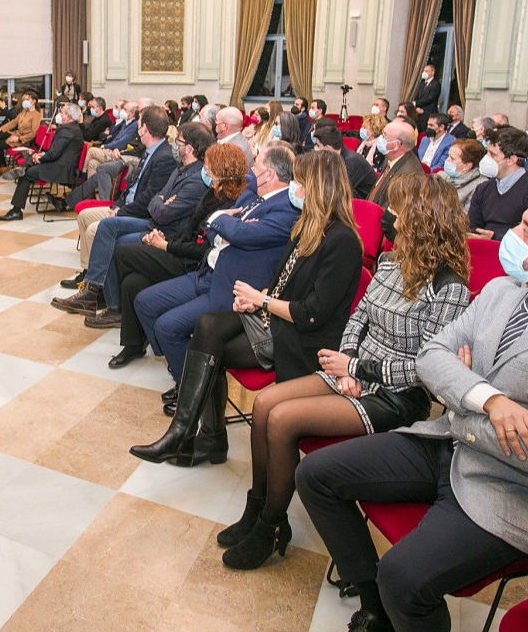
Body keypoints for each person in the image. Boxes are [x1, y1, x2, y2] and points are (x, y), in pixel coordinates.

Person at [300, 184, 528, 632]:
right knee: (316, 475)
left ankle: (397, 611)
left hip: (519, 490)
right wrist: (487, 399)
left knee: (404, 576)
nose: (509, 236)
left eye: (526, 230)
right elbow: (429, 358)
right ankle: (377, 616)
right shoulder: (502, 290)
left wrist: (458, 391)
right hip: (450, 440)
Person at [219, 174, 471, 571]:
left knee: (283, 419)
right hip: (351, 372)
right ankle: (258, 507)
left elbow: (428, 367)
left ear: (421, 219)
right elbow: (358, 319)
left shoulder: (449, 287)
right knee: (265, 403)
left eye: (398, 210)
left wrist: (355, 367)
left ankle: (270, 525)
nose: (391, 218)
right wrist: (348, 359)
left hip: (395, 395)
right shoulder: (391, 262)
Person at [130, 149, 362, 468]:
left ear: (317, 187)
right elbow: (285, 282)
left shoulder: (342, 240)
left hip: (300, 338)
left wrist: (262, 300)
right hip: (276, 319)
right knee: (207, 329)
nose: (294, 187)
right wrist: (259, 296)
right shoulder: (309, 227)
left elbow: (312, 312)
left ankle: (196, 436)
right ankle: (190, 434)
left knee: (208, 345)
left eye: (299, 181)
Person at [133, 144, 299, 397]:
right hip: (208, 271)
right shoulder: (254, 195)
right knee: (145, 302)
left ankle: (191, 392)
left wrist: (225, 222)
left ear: (269, 175)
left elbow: (241, 233)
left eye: (256, 165)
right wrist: (226, 224)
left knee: (167, 326)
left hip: (231, 286)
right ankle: (186, 368)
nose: (251, 170)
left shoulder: (286, 210)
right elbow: (213, 230)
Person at [53, 121, 213, 321]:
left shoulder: (196, 178)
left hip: (166, 232)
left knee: (115, 243)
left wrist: (161, 202)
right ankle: (92, 291)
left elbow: (162, 213)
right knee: (106, 226)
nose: (175, 145)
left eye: (178, 141)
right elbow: (158, 200)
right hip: (155, 222)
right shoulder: (182, 168)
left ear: (189, 148)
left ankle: (114, 307)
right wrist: (162, 201)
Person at [107, 144, 249, 365]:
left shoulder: (232, 204)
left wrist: (165, 246)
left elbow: (204, 247)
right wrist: (163, 239)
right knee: (132, 282)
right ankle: (133, 345)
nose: (205, 168)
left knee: (124, 253)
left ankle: (119, 312)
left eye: (210, 165)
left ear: (221, 170)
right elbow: (189, 231)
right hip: (180, 251)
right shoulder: (212, 193)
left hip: (192, 263)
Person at [58, 106, 177, 287]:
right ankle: (87, 271)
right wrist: (116, 206)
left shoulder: (164, 157)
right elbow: (131, 187)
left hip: (139, 214)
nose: (138, 130)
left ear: (145, 129)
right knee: (84, 217)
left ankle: (96, 285)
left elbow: (149, 198)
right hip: (126, 207)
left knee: (93, 230)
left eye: (139, 125)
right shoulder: (150, 150)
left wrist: (121, 211)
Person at [0, 102, 85, 221]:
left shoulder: (67, 130)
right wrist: (42, 155)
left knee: (27, 174)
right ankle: (24, 169)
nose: (59, 114)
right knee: (31, 160)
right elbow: (57, 152)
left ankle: (16, 211)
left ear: (68, 116)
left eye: (62, 112)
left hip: (61, 170)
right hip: (61, 164)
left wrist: (41, 158)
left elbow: (54, 153)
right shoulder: (72, 128)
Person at [469, 126, 528, 241]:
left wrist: (495, 238)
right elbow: (473, 226)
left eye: (493, 154)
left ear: (511, 160)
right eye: (487, 153)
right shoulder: (483, 188)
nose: (486, 159)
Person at [367, 121, 422, 212]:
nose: (380, 138)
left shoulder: (408, 176)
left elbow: (391, 213)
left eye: (384, 136)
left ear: (397, 145)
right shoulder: (391, 156)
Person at [313, 122, 376, 199]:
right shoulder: (333, 157)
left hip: (359, 204)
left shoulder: (352, 161)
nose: (315, 148)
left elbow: (339, 191)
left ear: (328, 148)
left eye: (318, 145)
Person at [437, 138, 487, 213]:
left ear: (467, 166)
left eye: (452, 158)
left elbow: (465, 218)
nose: (446, 160)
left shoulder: (480, 187)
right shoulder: (442, 176)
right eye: (448, 156)